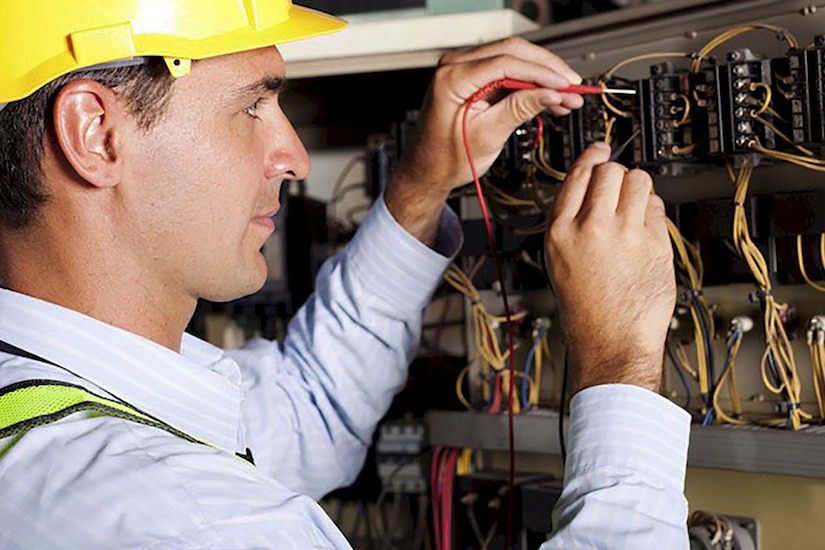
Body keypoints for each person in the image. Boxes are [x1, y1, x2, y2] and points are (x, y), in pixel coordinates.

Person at [0, 0, 689, 548]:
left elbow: (308, 411)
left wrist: (420, 186)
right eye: (250, 106)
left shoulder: (41, 399)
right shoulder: (196, 523)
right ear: (97, 134)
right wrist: (617, 360)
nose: (293, 157)